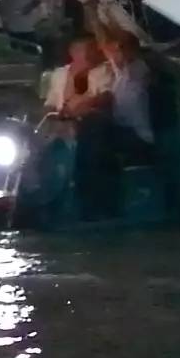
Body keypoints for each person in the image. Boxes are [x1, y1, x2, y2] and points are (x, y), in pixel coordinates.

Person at [74, 31, 155, 218]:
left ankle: (101, 199)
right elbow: (105, 44)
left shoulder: (138, 70)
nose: (116, 55)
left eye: (121, 51)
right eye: (115, 52)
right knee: (90, 127)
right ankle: (83, 190)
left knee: (96, 127)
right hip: (120, 132)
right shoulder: (118, 75)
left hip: (138, 136)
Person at [44, 37, 114, 118]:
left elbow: (107, 96)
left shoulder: (102, 70)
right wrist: (55, 114)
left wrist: (88, 103)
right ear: (72, 52)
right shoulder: (59, 74)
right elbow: (49, 104)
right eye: (81, 50)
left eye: (91, 49)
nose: (88, 54)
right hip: (63, 125)